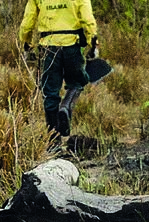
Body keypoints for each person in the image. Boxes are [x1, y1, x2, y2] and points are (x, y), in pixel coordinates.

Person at [18, 0, 98, 142]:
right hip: (72, 45)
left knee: (50, 92)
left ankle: (53, 140)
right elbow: (88, 19)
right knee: (77, 82)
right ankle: (66, 107)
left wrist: (27, 42)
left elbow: (27, 21)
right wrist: (93, 43)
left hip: (48, 47)